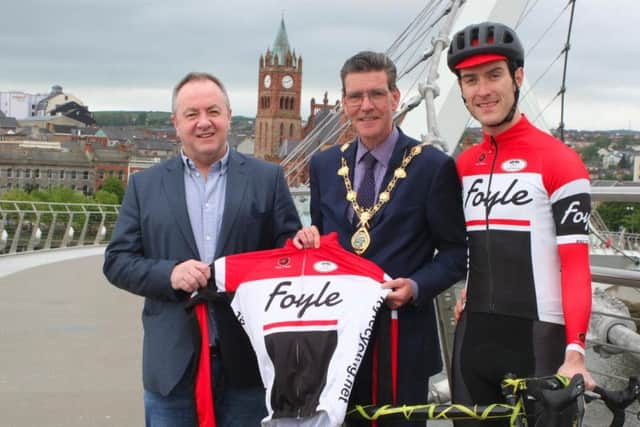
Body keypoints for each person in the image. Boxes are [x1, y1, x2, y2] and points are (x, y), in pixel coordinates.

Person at [103, 72, 301, 427]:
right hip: (171, 368)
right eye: (191, 114)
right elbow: (117, 262)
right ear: (176, 124)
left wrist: (304, 245)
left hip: (249, 363)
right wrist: (170, 274)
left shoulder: (267, 179)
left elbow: (288, 257)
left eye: (213, 111)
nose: (204, 122)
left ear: (228, 115)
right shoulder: (144, 186)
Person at [294, 51, 467, 426]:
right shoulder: (324, 166)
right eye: (355, 96)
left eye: (375, 94)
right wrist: (305, 242)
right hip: (336, 346)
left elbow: (456, 253)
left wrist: (418, 286)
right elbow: (325, 247)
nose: (366, 106)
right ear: (344, 103)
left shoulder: (433, 167)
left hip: (402, 343)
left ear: (395, 97)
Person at [447, 22, 595, 426]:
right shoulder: (462, 166)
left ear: (518, 77)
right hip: (472, 340)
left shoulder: (560, 161)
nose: (483, 90)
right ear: (460, 89)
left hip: (539, 343)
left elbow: (576, 264)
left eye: (494, 75)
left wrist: (575, 352)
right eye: (470, 79)